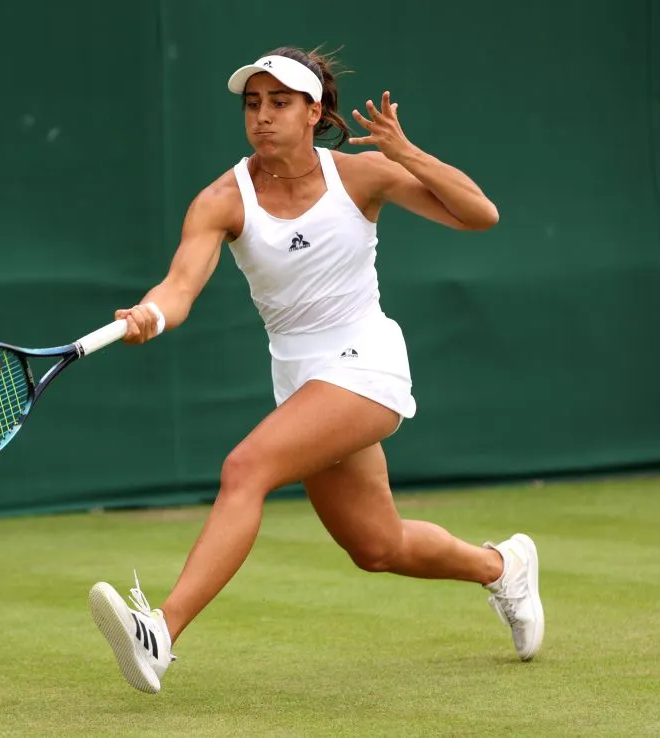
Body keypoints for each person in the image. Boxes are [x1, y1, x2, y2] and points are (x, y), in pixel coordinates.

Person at [88, 46, 543, 694]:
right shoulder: (222, 199)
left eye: (279, 103)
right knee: (376, 547)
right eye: (253, 104)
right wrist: (150, 316)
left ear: (313, 112)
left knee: (245, 468)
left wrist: (403, 153)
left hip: (367, 363)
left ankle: (159, 633)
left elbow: (480, 214)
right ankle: (502, 567)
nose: (263, 116)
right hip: (301, 382)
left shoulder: (360, 177)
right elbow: (179, 286)